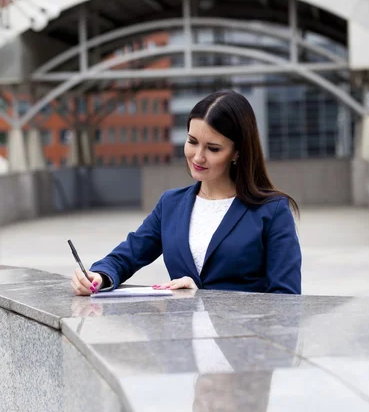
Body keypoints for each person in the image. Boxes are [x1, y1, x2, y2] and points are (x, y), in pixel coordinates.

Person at [71, 90, 301, 296]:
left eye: (213, 148)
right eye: (192, 141)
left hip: (245, 342)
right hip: (183, 340)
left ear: (237, 153)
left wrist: (202, 298)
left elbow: (286, 300)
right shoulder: (171, 204)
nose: (198, 157)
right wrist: (100, 276)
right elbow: (127, 255)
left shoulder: (272, 210)